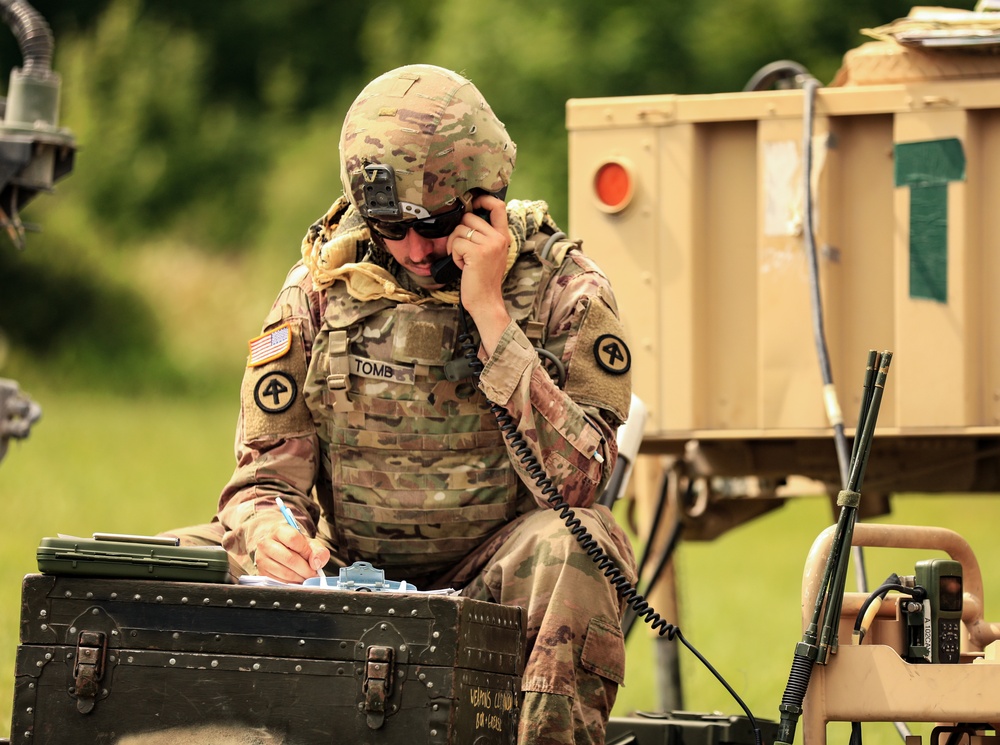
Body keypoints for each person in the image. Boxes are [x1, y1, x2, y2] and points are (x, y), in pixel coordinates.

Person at [166, 63, 636, 745]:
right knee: (153, 565)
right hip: (340, 579)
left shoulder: (564, 290)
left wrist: (491, 316)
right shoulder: (322, 290)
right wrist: (269, 531)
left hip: (495, 587)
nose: (414, 250)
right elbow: (262, 483)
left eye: (436, 224)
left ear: (486, 198)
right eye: (390, 227)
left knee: (582, 541)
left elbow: (580, 482)